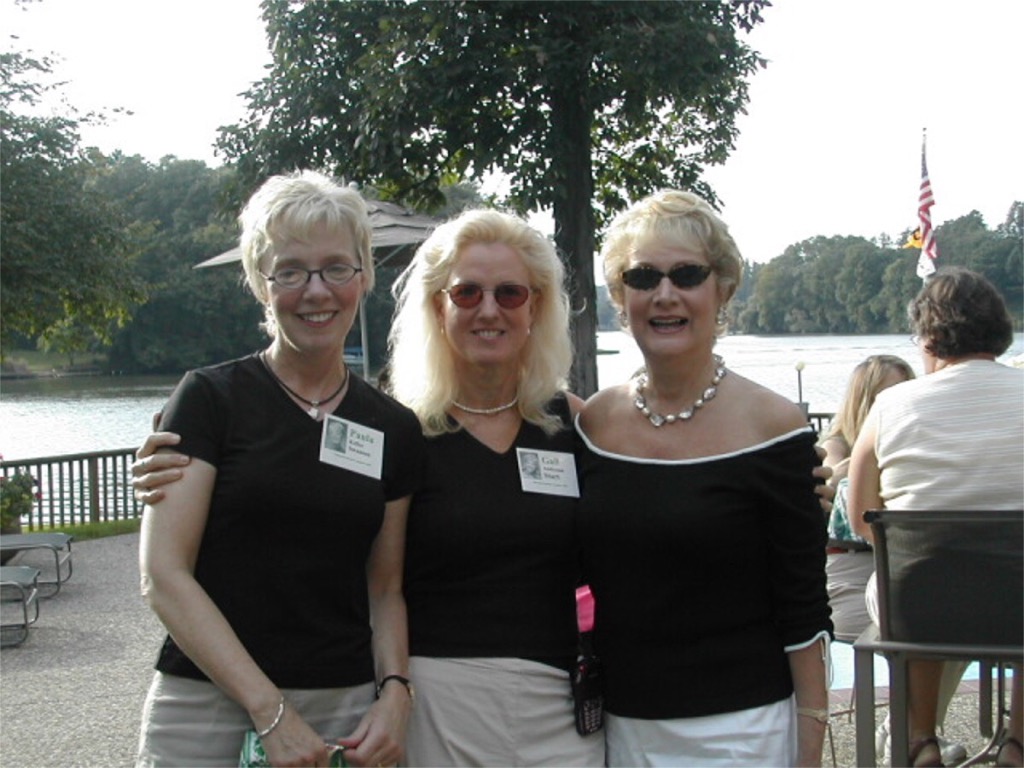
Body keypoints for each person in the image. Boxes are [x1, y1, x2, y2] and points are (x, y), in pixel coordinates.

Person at [132, 204, 837, 766]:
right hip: (440, 709)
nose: (489, 309)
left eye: (510, 292)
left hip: (568, 713)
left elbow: (659, 499)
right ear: (438, 308)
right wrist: (189, 445)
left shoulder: (576, 425)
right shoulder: (402, 429)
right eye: (466, 292)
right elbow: (361, 557)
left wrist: (805, 479)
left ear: (536, 309)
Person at [134, 170, 424, 768]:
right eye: (290, 271)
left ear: (364, 276)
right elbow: (164, 575)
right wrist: (272, 713)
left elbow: (386, 587)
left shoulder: (393, 426)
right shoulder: (210, 400)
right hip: (207, 703)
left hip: (342, 713)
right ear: (261, 284)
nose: (316, 291)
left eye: (336, 267)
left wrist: (395, 693)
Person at [575, 189, 833, 767]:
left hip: (744, 731)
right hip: (620, 729)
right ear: (621, 296)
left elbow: (803, 605)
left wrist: (810, 742)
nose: (665, 294)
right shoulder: (591, 424)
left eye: (687, 274)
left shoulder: (775, 427)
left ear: (722, 289)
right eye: (643, 277)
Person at [847, 266, 1024, 768]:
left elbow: (863, 520)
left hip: (917, 610)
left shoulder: (890, 405)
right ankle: (1018, 742)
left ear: (927, 335)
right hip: (1020, 607)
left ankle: (919, 739)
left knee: (916, 575)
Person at [819, 354, 915, 642]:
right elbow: (832, 479)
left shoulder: (911, 443)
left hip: (903, 561)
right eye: (887, 395)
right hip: (853, 565)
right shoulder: (837, 443)